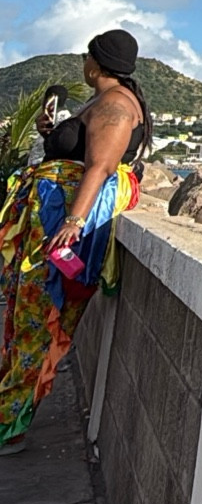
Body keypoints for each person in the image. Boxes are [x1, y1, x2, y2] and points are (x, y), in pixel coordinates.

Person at [0, 31, 148, 453]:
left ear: (96, 63)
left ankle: (10, 425)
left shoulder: (117, 106)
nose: (82, 61)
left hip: (59, 228)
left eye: (87, 55)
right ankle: (6, 412)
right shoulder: (104, 102)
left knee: (37, 318)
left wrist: (73, 220)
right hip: (45, 222)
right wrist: (55, 133)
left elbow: (100, 166)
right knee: (25, 315)